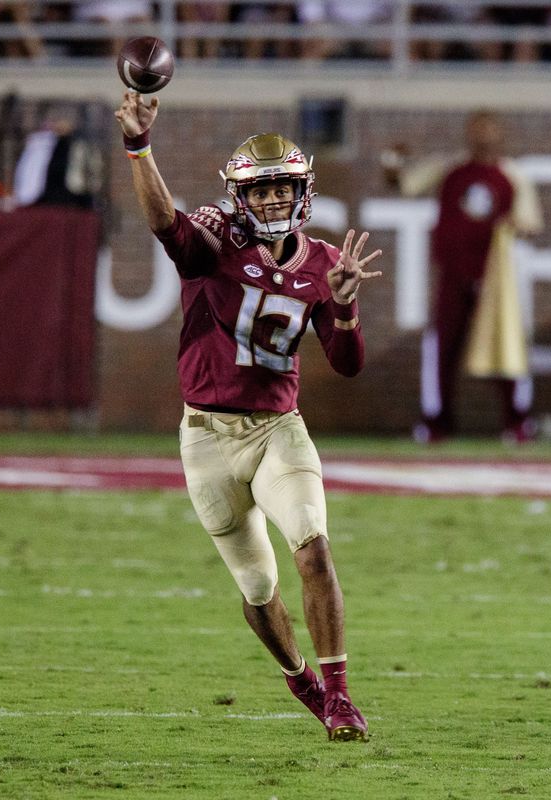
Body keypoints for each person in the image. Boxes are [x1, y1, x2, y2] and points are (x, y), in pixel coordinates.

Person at [114, 89, 382, 741]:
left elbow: (346, 363)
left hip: (277, 430)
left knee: (313, 547)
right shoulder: (215, 243)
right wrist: (139, 146)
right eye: (261, 191)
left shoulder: (324, 264)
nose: (273, 201)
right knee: (259, 587)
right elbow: (163, 221)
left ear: (302, 193)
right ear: (241, 197)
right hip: (206, 436)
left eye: (282, 189)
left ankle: (341, 696)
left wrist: (345, 306)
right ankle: (302, 681)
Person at [383, 110, 543, 443]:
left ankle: (517, 419)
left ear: (500, 134)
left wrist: (514, 224)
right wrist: (392, 164)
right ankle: (436, 420)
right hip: (453, 272)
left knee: (505, 344)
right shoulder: (450, 169)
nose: (483, 135)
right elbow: (405, 185)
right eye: (477, 128)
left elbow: (531, 223)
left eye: (489, 128)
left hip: (495, 278)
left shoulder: (512, 175)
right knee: (443, 346)